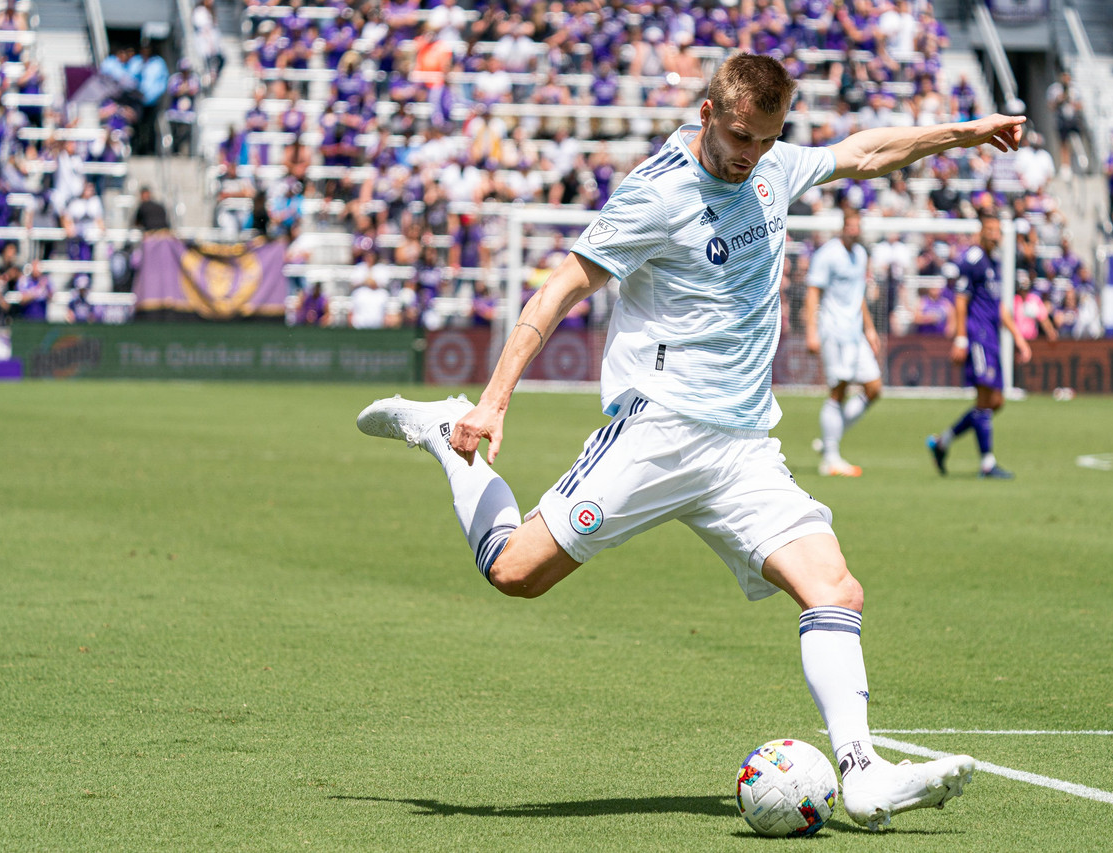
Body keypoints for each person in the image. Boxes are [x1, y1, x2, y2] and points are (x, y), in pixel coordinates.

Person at [357, 54, 1024, 831]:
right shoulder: (657, 192)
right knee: (513, 572)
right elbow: (559, 288)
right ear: (708, 115)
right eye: (741, 135)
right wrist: (496, 400)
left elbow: (867, 151)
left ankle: (863, 771)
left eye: (767, 140)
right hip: (657, 433)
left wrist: (965, 133)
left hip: (744, 448)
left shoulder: (773, 169)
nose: (750, 155)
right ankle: (449, 434)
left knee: (835, 589)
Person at [927, 213, 1033, 479]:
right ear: (981, 231)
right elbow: (960, 300)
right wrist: (961, 338)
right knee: (985, 399)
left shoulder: (993, 262)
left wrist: (1018, 338)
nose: (994, 235)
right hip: (978, 337)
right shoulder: (972, 260)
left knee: (995, 401)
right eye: (990, 230)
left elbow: (998, 305)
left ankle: (943, 442)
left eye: (998, 230)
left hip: (992, 339)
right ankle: (987, 464)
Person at [804, 210, 881, 478]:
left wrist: (870, 330)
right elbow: (813, 292)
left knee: (874, 388)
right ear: (843, 227)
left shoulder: (860, 254)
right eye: (850, 225)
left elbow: (858, 295)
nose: (854, 230)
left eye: (858, 226)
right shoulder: (828, 254)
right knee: (839, 391)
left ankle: (829, 439)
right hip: (833, 331)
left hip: (855, 332)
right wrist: (811, 331)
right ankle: (830, 458)